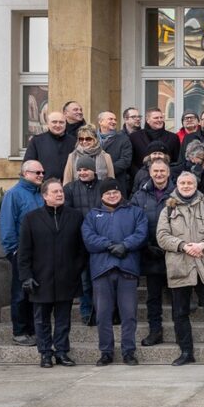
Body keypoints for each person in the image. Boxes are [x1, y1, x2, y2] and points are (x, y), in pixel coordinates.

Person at [156, 171, 204, 366]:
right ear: (176, 185)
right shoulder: (167, 209)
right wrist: (183, 246)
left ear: (196, 185)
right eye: (183, 183)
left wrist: (203, 244)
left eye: (190, 183)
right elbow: (162, 236)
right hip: (180, 266)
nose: (186, 186)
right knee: (180, 312)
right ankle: (186, 352)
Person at [18, 179, 86, 368]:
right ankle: (45, 353)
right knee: (41, 320)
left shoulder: (75, 216)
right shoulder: (31, 219)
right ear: (45, 196)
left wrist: (75, 269)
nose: (59, 194)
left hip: (67, 278)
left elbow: (82, 249)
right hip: (40, 278)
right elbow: (24, 251)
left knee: (64, 319)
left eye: (61, 191)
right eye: (55, 191)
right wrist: (26, 276)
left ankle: (62, 352)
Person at [82, 179, 148, 366]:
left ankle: (128, 351)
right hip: (102, 270)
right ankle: (106, 352)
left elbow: (141, 234)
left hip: (127, 269)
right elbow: (88, 239)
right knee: (103, 314)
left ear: (121, 193)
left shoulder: (135, 212)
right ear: (101, 196)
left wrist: (125, 245)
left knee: (129, 314)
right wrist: (109, 245)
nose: (112, 195)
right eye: (108, 193)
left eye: (115, 192)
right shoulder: (92, 216)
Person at [128, 158, 175, 347]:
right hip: (150, 253)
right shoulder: (140, 196)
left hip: (174, 253)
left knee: (178, 296)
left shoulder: (178, 192)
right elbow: (132, 221)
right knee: (153, 297)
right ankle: (155, 331)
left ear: (169, 172)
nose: (159, 174)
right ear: (150, 172)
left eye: (162, 171)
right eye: (155, 171)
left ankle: (181, 331)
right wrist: (145, 245)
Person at [0, 160, 45, 345]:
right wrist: (13, 250)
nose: (41, 175)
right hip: (21, 253)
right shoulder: (14, 195)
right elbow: (7, 225)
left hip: (40, 253)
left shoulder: (40, 195)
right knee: (20, 293)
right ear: (25, 174)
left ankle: (33, 330)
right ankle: (19, 331)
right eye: (37, 172)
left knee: (35, 292)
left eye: (42, 172)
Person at [64, 156, 101, 325]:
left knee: (102, 279)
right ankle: (87, 312)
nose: (82, 172)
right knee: (85, 281)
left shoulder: (103, 187)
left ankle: (103, 311)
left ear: (93, 169)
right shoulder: (70, 189)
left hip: (101, 240)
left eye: (85, 169)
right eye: (79, 170)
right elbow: (68, 215)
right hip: (80, 241)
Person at [24, 110, 75, 181]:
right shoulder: (37, 141)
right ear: (48, 123)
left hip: (68, 186)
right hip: (43, 186)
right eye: (54, 122)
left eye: (61, 122)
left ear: (65, 124)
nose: (58, 125)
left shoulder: (73, 141)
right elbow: (28, 165)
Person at [97, 111, 133, 196]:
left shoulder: (124, 139)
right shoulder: (91, 138)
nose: (114, 122)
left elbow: (125, 160)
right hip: (95, 183)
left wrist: (105, 170)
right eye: (110, 119)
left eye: (115, 119)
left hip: (116, 183)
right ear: (100, 122)